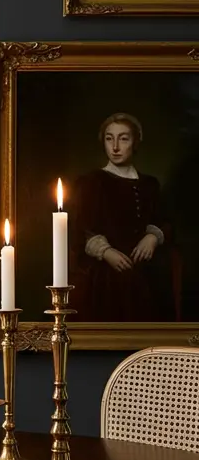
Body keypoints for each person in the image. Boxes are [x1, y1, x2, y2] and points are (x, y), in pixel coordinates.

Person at [71, 112, 174, 322]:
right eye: (110, 138)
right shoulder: (92, 182)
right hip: (106, 278)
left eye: (123, 138)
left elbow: (165, 219)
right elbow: (79, 227)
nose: (115, 146)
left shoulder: (150, 184)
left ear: (135, 142)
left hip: (145, 275)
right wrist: (106, 251)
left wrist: (152, 237)